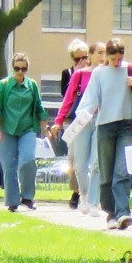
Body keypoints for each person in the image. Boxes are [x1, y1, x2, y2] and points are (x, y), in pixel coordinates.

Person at [88, 39, 132, 229]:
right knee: (106, 174)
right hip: (105, 125)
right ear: (107, 56)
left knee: (122, 171)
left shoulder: (131, 70)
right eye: (113, 58)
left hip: (127, 125)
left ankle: (124, 213)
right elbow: (91, 99)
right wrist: (85, 116)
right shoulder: (99, 73)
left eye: (119, 58)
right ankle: (111, 212)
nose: (117, 62)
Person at [0, 53, 44, 212]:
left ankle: (27, 197)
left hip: (27, 129)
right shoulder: (4, 84)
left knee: (28, 160)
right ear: (12, 68)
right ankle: (12, 201)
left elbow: (39, 108)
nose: (20, 72)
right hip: (6, 130)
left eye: (24, 68)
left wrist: (45, 127)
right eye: (17, 68)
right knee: (9, 166)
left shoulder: (32, 85)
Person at [50, 47, 96, 212]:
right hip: (77, 121)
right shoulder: (76, 74)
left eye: (83, 57)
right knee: (77, 162)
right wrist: (58, 121)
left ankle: (93, 199)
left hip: (100, 121)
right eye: (77, 59)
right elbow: (67, 98)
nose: (81, 61)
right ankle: (81, 193)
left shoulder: (107, 72)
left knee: (97, 163)